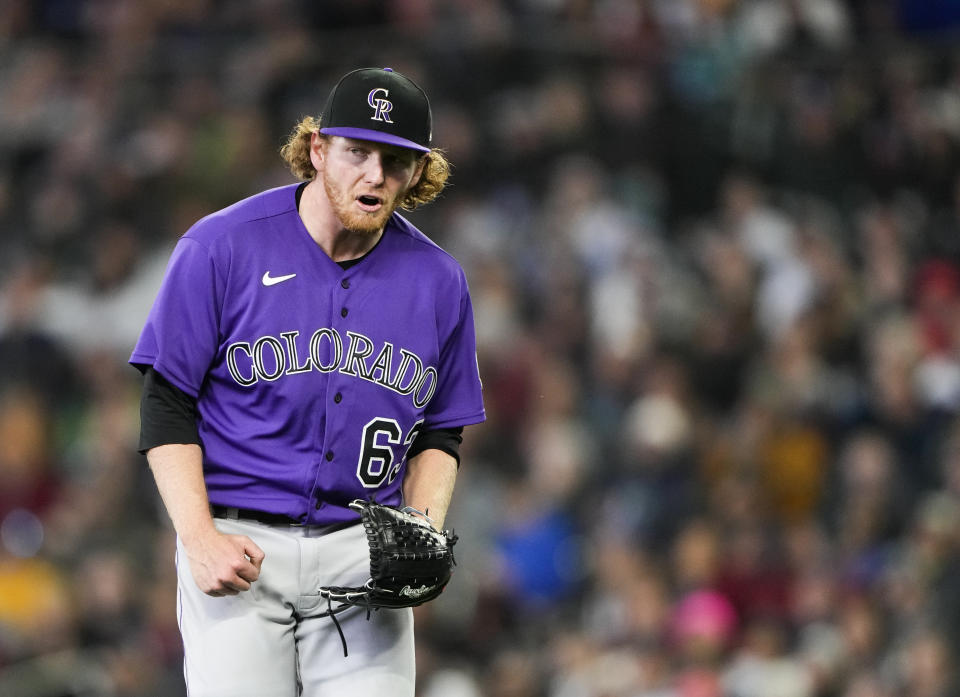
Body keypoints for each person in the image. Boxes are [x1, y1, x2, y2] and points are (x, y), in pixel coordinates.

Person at [130, 67, 485, 697]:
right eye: (357, 152)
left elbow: (441, 429)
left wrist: (423, 527)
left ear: (419, 173)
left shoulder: (438, 281)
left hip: (362, 552)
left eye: (397, 160)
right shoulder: (221, 247)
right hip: (240, 543)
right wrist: (199, 537)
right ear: (317, 149)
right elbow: (166, 403)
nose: (375, 175)